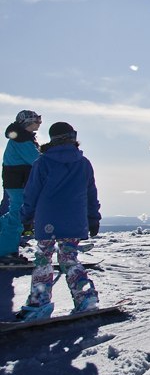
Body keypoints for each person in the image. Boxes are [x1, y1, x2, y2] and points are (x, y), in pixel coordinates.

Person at [16, 122, 101, 321]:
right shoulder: (83, 163)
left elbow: (32, 192)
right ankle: (85, 298)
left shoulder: (43, 162)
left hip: (48, 220)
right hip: (74, 221)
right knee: (70, 259)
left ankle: (39, 303)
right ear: (72, 137)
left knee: (44, 260)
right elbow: (91, 194)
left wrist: (26, 217)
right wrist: (93, 218)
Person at [0, 110, 42, 265]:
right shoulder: (22, 140)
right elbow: (37, 160)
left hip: (17, 182)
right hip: (18, 182)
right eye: (36, 120)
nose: (38, 123)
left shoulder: (23, 137)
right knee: (17, 215)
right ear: (27, 122)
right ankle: (6, 253)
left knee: (15, 212)